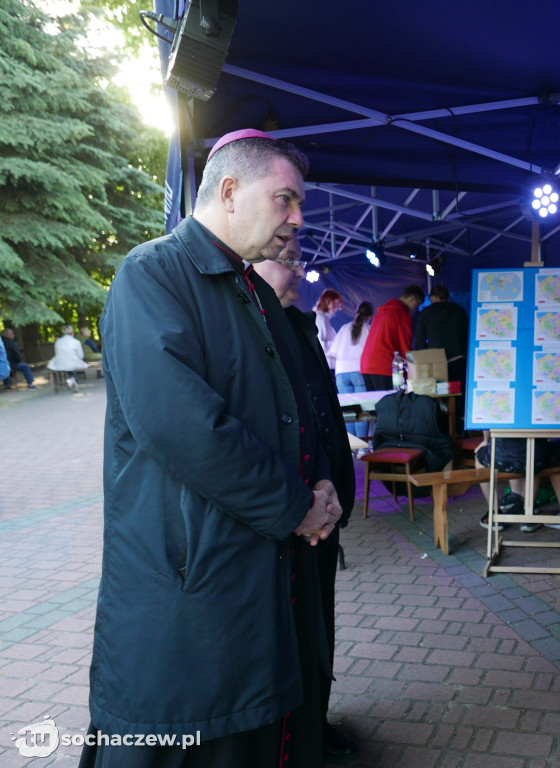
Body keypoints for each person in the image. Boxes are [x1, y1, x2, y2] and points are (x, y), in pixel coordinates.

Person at [79, 128, 342, 768]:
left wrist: (326, 481)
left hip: (255, 573)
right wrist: (295, 506)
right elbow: (185, 428)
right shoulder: (152, 273)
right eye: (285, 200)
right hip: (194, 580)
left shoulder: (250, 290)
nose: (298, 218)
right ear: (229, 191)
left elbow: (302, 404)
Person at [253, 242, 359, 760]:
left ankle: (317, 720)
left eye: (299, 263)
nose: (300, 273)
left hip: (324, 504)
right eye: (289, 262)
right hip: (291, 514)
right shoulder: (250, 327)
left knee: (321, 628)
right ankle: (295, 737)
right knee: (293, 634)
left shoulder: (298, 324)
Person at [474, 434, 560, 533]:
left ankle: (493, 512)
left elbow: (487, 422)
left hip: (501, 457)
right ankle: (528, 514)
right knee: (538, 460)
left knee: (479, 457)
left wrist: (486, 440)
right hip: (538, 457)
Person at [414, 284, 469, 428]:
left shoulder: (425, 313)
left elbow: (419, 340)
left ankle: (441, 429)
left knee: (437, 397)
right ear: (448, 297)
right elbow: (466, 335)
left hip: (436, 362)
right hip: (459, 358)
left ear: (432, 298)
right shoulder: (460, 311)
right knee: (458, 396)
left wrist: (421, 358)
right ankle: (457, 430)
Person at [359, 285, 424, 391]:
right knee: (389, 405)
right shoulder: (403, 315)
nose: (415, 309)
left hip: (366, 365)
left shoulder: (380, 313)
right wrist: (412, 371)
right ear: (412, 299)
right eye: (417, 305)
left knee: (373, 405)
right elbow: (405, 345)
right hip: (384, 365)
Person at [328, 300, 374, 438]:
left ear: (356, 313)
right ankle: (362, 447)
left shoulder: (343, 328)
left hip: (341, 372)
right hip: (359, 371)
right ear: (370, 316)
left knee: (348, 412)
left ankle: (352, 449)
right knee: (362, 410)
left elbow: (333, 352)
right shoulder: (369, 329)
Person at [47, 324, 88, 391]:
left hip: (59, 364)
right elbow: (81, 356)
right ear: (72, 333)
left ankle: (71, 380)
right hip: (73, 363)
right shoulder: (76, 342)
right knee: (79, 366)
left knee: (69, 366)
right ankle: (72, 380)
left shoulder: (58, 341)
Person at [313, 288, 343, 370]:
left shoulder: (323, 319)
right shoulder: (320, 319)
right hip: (326, 366)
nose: (337, 308)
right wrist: (338, 345)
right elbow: (318, 344)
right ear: (327, 302)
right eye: (335, 305)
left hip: (329, 365)